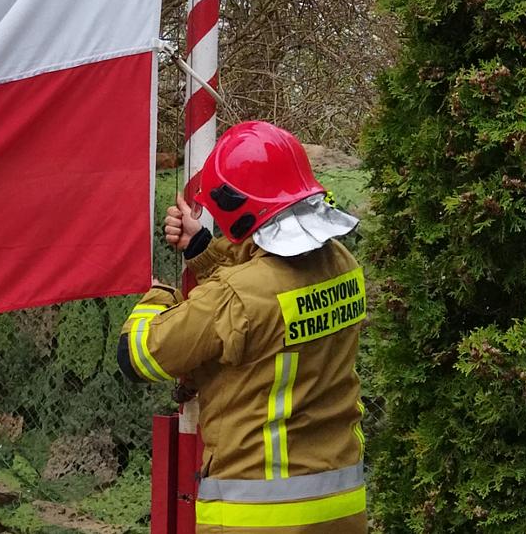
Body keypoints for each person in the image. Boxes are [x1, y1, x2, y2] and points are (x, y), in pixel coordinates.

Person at [121, 120, 368, 533]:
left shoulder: (235, 298)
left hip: (257, 517)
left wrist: (158, 295)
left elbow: (139, 357)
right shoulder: (342, 263)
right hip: (340, 510)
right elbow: (266, 304)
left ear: (237, 206)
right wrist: (203, 249)